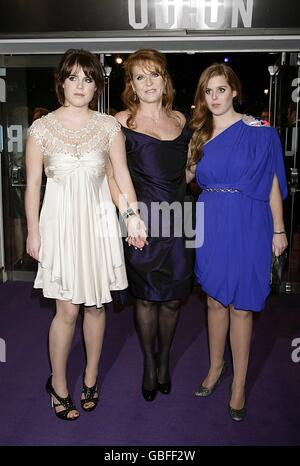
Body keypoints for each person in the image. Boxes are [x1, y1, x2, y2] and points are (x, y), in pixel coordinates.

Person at [25, 48, 146, 421]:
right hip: (59, 227)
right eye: (73, 77)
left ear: (97, 86)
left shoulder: (109, 127)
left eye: (88, 78)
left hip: (97, 227)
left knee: (96, 306)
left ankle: (91, 377)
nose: (80, 85)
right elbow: (32, 187)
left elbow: (121, 176)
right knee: (66, 310)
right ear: (61, 81)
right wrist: (33, 231)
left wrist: (132, 217)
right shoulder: (41, 129)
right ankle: (59, 385)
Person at [186, 63, 288, 421]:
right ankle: (216, 368)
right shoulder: (199, 133)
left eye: (221, 89)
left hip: (250, 220)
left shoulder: (259, 131)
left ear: (234, 91)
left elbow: (273, 182)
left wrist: (279, 230)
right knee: (214, 300)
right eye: (208, 91)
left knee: (242, 305)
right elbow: (187, 177)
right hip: (212, 217)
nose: (214, 97)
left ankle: (239, 383)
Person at [114, 49, 194, 401]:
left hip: (182, 219)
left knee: (175, 299)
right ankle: (149, 363)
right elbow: (112, 177)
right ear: (131, 84)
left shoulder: (181, 120)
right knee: (145, 299)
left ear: (165, 80)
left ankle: (164, 359)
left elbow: (189, 170)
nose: (148, 83)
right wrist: (129, 216)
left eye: (154, 75)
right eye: (139, 77)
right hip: (141, 221)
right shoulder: (120, 122)